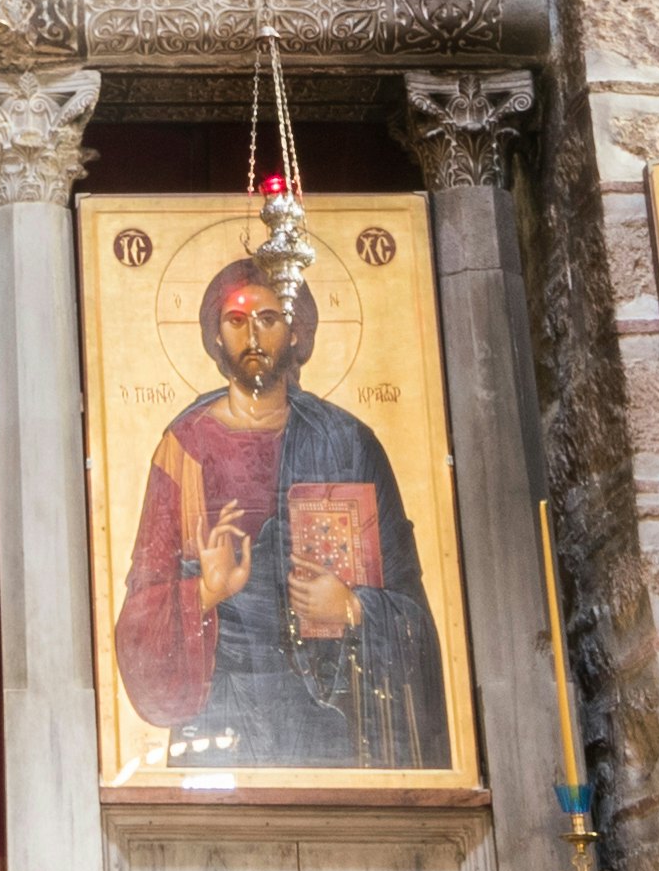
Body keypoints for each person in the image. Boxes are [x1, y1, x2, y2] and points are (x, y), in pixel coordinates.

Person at [113, 251, 445, 770]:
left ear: (295, 332)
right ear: (215, 336)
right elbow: (139, 616)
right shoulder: (186, 447)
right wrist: (205, 591)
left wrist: (352, 608)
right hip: (221, 717)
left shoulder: (347, 443)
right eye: (236, 321)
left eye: (269, 319)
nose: (252, 337)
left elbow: (415, 618)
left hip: (329, 717)